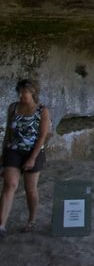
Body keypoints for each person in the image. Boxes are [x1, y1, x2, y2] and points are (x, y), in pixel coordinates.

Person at [1, 79, 51, 236]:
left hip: (33, 151)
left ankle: (32, 220)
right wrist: (3, 154)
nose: (21, 95)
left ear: (33, 93)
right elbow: (8, 133)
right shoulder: (13, 108)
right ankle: (1, 225)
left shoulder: (42, 111)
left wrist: (32, 158)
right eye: (20, 92)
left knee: (30, 189)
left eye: (25, 92)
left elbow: (42, 137)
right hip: (14, 150)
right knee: (10, 185)